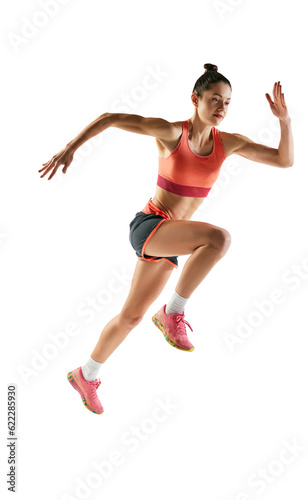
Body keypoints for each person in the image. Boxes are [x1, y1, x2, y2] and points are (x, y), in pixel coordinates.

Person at [38, 63, 294, 414]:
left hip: (169, 242)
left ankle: (86, 374)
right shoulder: (172, 133)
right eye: (215, 99)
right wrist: (70, 147)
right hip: (150, 226)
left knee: (129, 317)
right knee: (218, 239)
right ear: (195, 99)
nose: (222, 107)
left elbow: (284, 160)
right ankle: (172, 312)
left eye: (228, 102)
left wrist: (284, 121)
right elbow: (111, 117)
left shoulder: (229, 143)